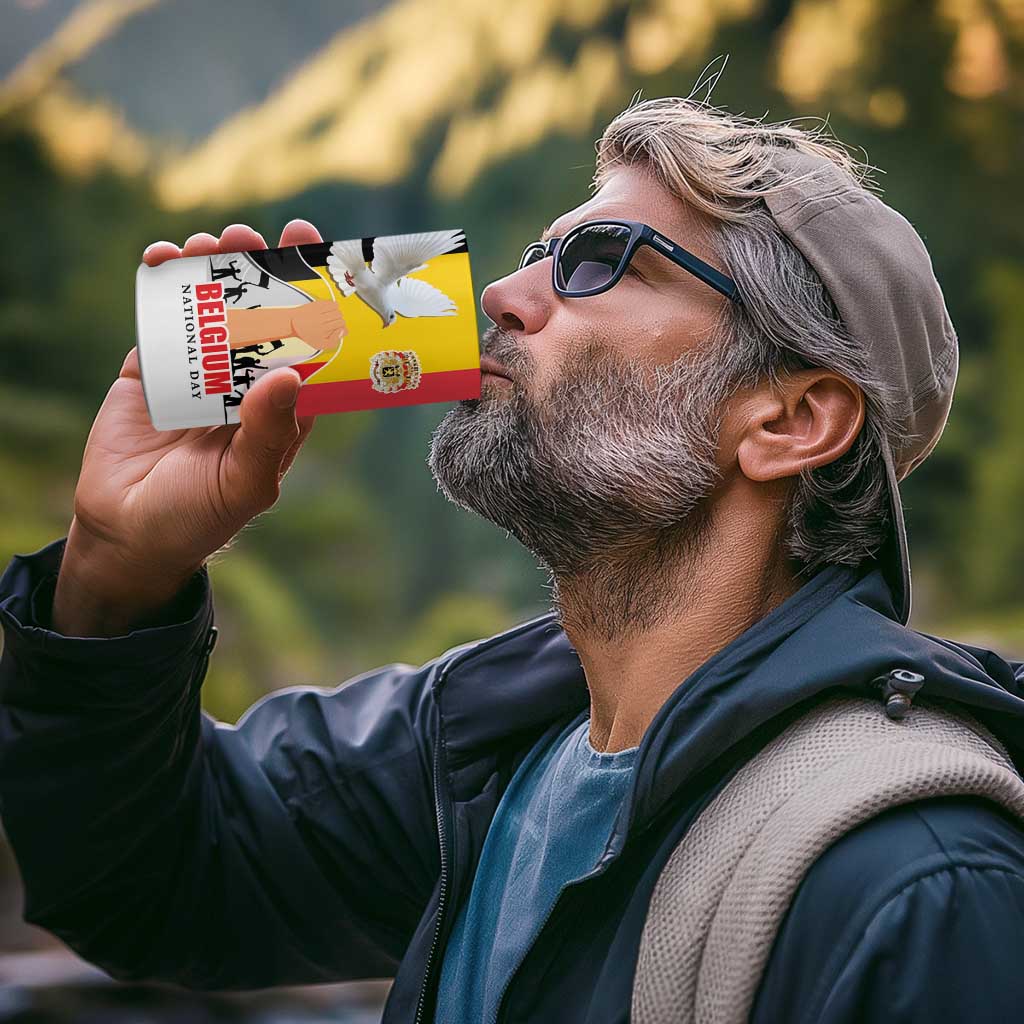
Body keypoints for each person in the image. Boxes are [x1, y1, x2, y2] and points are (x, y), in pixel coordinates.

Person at [2, 95, 1024, 1024]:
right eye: (540, 252)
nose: (500, 292)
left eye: (599, 261)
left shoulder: (918, 883)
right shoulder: (480, 749)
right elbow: (149, 880)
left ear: (791, 419)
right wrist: (116, 570)